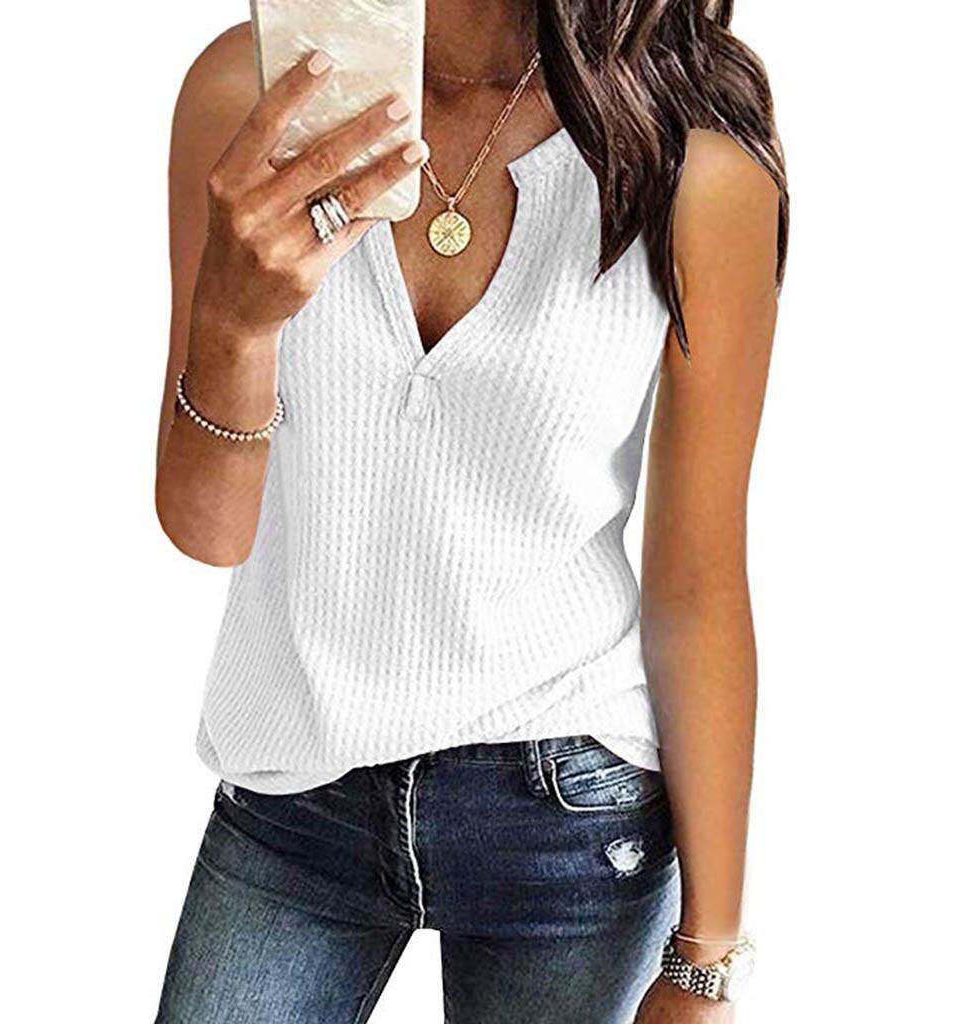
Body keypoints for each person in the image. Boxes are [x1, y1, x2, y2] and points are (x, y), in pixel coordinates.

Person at [153, 2, 786, 1021]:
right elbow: (206, 527)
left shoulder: (690, 161)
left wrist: (704, 961)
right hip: (293, 796)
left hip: (568, 806)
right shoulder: (252, 94)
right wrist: (234, 325)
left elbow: (699, 582)